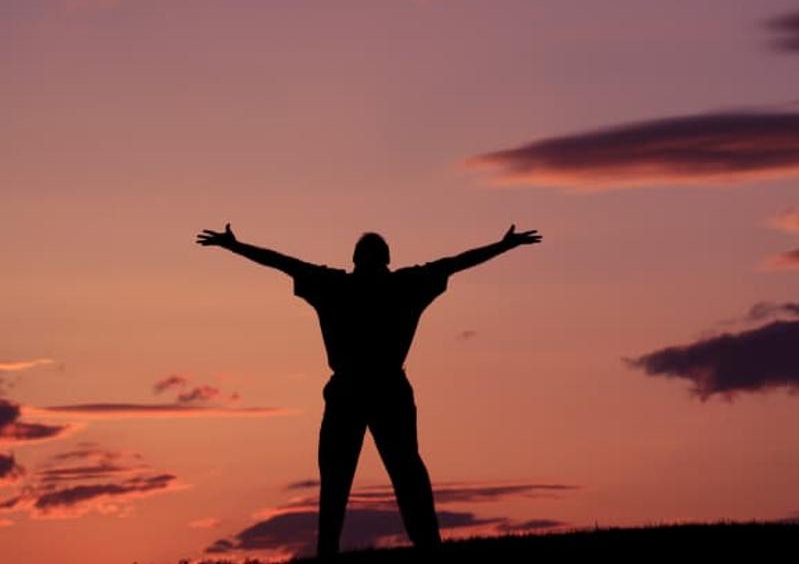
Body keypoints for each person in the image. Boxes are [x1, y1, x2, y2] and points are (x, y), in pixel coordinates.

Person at [195, 222, 541, 559]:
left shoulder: (337, 284)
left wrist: (234, 246)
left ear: (356, 259)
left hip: (356, 389)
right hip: (381, 389)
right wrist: (503, 246)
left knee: (348, 478)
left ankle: (346, 549)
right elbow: (456, 262)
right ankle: (424, 546)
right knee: (396, 474)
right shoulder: (404, 284)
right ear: (386, 259)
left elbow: (282, 263)